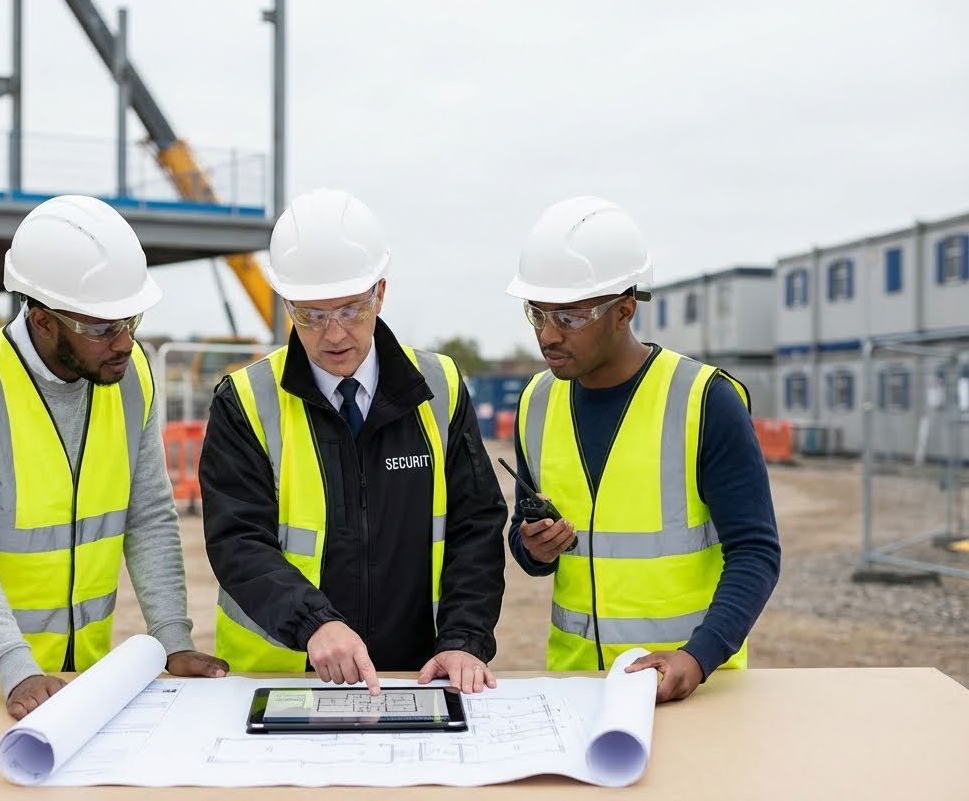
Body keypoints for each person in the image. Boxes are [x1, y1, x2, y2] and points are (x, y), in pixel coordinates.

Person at [0, 194, 227, 718]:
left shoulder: (131, 375)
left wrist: (171, 637)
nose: (123, 342)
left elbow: (148, 514)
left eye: (130, 320)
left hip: (78, 673)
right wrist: (14, 667)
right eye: (100, 328)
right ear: (43, 319)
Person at [201, 188, 507, 694]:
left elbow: (475, 526)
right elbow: (237, 540)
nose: (334, 334)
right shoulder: (245, 401)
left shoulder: (440, 386)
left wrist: (464, 638)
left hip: (415, 675)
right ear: (287, 306)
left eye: (350, 310)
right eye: (312, 316)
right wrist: (314, 622)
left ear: (380, 293)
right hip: (279, 679)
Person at [505, 195, 781, 702]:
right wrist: (532, 546)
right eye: (537, 313)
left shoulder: (705, 400)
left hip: (688, 686)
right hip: (577, 685)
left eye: (568, 317)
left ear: (624, 311)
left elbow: (756, 552)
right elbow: (527, 544)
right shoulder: (535, 403)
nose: (547, 335)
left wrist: (698, 657)